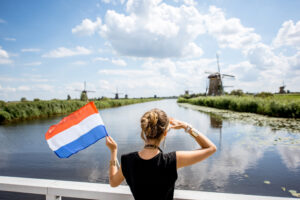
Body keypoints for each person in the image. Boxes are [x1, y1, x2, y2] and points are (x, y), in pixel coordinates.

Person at [105, 108, 217, 200]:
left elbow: (113, 183)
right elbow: (211, 148)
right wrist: (187, 127)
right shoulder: (172, 160)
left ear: (144, 130)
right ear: (165, 133)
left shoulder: (127, 160)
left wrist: (113, 152)